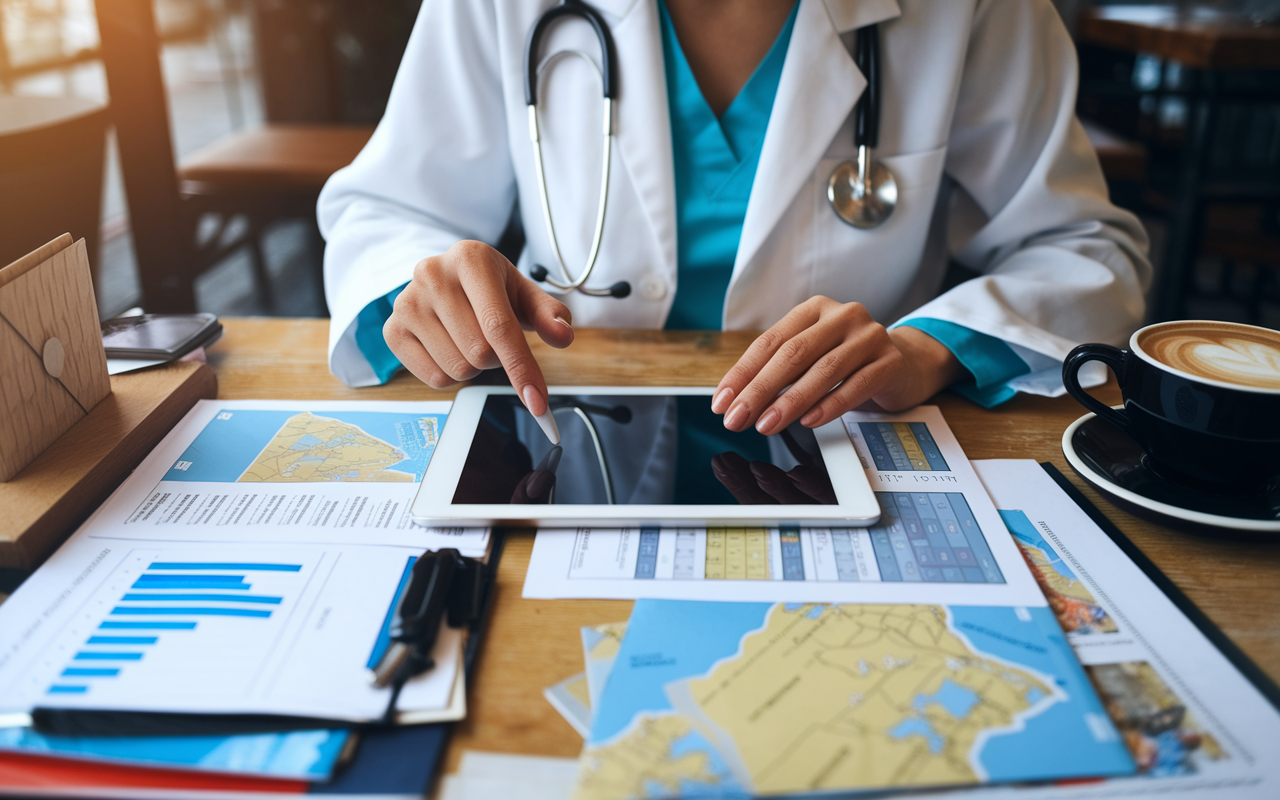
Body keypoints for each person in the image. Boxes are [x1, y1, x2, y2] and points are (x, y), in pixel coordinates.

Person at [318, 0, 1150, 437]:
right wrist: (420, 286)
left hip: (847, 437)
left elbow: (1084, 248)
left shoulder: (975, 7)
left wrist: (927, 350)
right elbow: (390, 209)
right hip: (567, 428)